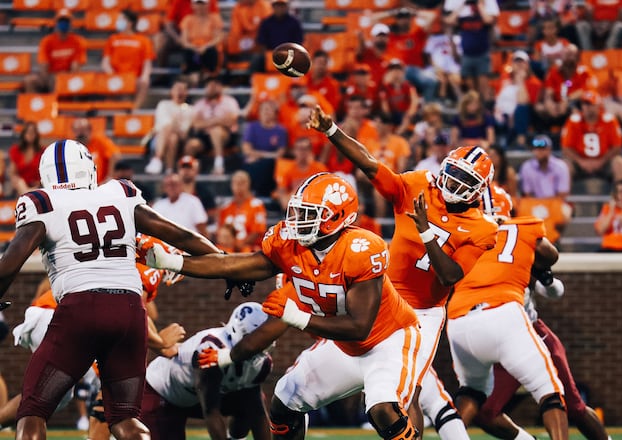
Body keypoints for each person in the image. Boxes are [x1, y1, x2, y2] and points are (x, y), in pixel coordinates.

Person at [145, 172, 422, 440]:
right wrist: (176, 262)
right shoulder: (294, 255)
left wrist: (299, 318)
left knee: (382, 410)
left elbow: (360, 326)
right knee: (285, 398)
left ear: (337, 217)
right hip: (343, 347)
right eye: (299, 212)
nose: (299, 221)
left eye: (310, 214)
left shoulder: (361, 250)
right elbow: (232, 264)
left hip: (389, 339)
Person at [0, 139, 224, 439]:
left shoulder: (42, 202)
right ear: (89, 168)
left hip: (79, 310)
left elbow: (11, 262)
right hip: (130, 313)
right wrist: (222, 260)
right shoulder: (119, 193)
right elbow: (177, 233)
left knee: (33, 413)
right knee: (125, 421)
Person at [308, 104, 499, 439]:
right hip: (383, 299)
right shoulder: (418, 184)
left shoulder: (483, 227)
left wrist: (425, 232)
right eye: (452, 172)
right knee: (384, 385)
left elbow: (450, 277)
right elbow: (370, 165)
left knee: (403, 393)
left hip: (423, 314)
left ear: (479, 188)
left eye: (464, 179)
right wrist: (331, 131)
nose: (453, 182)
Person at [468, 187, 612, 440]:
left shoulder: (519, 244)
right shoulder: (468, 245)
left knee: (573, 407)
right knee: (486, 413)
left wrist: (544, 276)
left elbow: (554, 290)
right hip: (497, 341)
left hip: (530, 333)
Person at [444, 194, 569, 439]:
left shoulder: (461, 233)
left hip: (459, 320)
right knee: (549, 390)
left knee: (471, 392)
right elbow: (551, 256)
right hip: (502, 314)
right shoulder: (523, 226)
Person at [141, 302, 273, 440]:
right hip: (163, 394)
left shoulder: (262, 362)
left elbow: (258, 412)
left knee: (251, 402)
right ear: (238, 333)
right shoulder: (210, 350)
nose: (260, 342)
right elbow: (211, 410)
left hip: (194, 396)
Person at [560, 90, 622, 185]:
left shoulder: (609, 120)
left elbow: (617, 147)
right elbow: (566, 148)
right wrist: (581, 161)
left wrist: (601, 161)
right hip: (580, 163)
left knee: (619, 163)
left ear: (598, 106)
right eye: (584, 104)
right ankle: (564, 199)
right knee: (565, 165)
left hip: (604, 162)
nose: (587, 108)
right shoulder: (573, 121)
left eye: (590, 104)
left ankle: (620, 198)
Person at [443, 0, 499, 103]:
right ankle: (475, 108)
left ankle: (486, 111)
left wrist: (479, 4)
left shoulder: (483, 14)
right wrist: (463, 5)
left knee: (483, 89)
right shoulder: (463, 16)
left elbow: (488, 21)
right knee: (472, 92)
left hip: (482, 54)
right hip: (467, 55)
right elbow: (449, 21)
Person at [184, 77, 241, 175]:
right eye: (210, 86)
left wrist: (206, 122)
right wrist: (218, 120)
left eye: (215, 86)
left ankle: (218, 164)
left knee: (216, 131)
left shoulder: (229, 101)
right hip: (204, 137)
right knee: (191, 145)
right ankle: (187, 171)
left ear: (220, 87)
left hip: (225, 136)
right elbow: (196, 125)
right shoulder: (200, 104)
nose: (212, 88)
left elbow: (231, 121)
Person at [23, 9, 86, 93]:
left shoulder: (78, 41)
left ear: (71, 24)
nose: (63, 24)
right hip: (49, 74)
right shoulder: (47, 41)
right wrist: (47, 79)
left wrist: (64, 78)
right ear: (56, 24)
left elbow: (75, 66)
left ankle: (56, 104)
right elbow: (43, 64)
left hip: (67, 75)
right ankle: (37, 105)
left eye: (66, 21)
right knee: (30, 81)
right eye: (61, 21)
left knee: (58, 81)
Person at [101, 10, 154, 109]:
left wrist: (145, 76)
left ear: (130, 23)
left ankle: (134, 110)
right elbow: (105, 62)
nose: (118, 22)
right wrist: (111, 74)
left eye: (121, 19)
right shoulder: (112, 39)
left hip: (134, 78)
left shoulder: (144, 41)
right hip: (115, 76)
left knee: (145, 82)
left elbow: (147, 62)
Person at [146, 80, 195, 175]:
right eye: (177, 88)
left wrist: (174, 125)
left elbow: (184, 131)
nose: (180, 92)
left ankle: (157, 159)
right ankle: (169, 169)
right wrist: (175, 124)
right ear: (171, 91)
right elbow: (163, 125)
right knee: (172, 137)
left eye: (183, 89)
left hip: (180, 141)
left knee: (173, 135)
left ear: (186, 92)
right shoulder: (163, 104)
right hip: (159, 140)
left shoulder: (190, 109)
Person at [241, 98, 288, 197]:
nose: (266, 112)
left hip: (271, 164)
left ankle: (262, 193)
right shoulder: (252, 127)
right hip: (254, 162)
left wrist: (260, 155)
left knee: (268, 164)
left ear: (275, 113)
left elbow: (280, 153)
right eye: (263, 109)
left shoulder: (281, 130)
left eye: (269, 109)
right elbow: (247, 149)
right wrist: (269, 155)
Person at [217, 171, 268, 252]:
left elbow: (257, 232)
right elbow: (221, 231)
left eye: (242, 183)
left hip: (249, 249)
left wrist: (238, 244)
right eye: (236, 183)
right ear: (231, 185)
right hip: (227, 248)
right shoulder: (226, 207)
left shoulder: (256, 205)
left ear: (248, 184)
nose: (239, 186)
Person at [179, 0, 225, 84]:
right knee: (189, 52)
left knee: (211, 51)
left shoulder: (214, 18)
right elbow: (184, 40)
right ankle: (194, 74)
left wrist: (206, 46)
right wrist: (194, 47)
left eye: (202, 4)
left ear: (208, 5)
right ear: (192, 5)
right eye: (198, 3)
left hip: (208, 49)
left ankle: (208, 74)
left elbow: (218, 37)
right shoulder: (188, 19)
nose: (200, 6)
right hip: (194, 50)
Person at [252, 0, 304, 73]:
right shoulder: (266, 22)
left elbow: (298, 42)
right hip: (270, 54)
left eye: (282, 5)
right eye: (277, 5)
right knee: (257, 59)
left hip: (289, 54)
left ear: (286, 6)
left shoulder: (294, 22)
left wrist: (289, 54)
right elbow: (261, 43)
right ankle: (254, 81)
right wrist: (268, 55)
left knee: (300, 59)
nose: (280, 8)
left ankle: (295, 81)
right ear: (273, 7)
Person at [71, 118, 121, 185]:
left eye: (83, 130)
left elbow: (115, 155)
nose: (80, 134)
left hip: (100, 185)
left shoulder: (100, 142)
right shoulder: (71, 146)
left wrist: (110, 177)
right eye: (77, 130)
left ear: (89, 130)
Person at [7, 122, 43, 197]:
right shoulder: (15, 150)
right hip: (21, 186)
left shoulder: (42, 151)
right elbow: (12, 173)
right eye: (28, 132)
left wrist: (40, 182)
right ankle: (28, 194)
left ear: (36, 135)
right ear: (23, 134)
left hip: (37, 186)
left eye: (33, 132)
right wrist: (16, 181)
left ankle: (28, 194)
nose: (30, 135)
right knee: (19, 182)